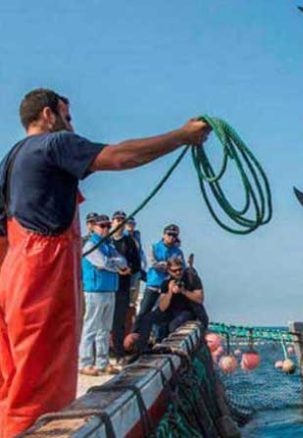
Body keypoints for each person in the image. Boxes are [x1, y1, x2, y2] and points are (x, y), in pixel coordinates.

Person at [0, 88, 209, 435]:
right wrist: (181, 136)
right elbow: (119, 156)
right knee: (39, 388)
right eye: (67, 117)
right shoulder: (54, 144)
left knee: (12, 381)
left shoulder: (9, 163)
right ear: (49, 116)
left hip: (12, 277)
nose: (71, 125)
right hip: (41, 279)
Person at [123, 257, 208, 354]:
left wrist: (183, 291)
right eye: (174, 271)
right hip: (171, 311)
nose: (178, 273)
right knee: (147, 319)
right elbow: (162, 307)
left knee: (173, 325)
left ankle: (171, 349)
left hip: (187, 311)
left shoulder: (191, 279)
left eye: (180, 270)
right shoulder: (166, 283)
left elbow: (199, 298)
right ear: (169, 271)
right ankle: (142, 348)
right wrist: (170, 292)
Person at [80, 214, 128, 376]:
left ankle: (102, 362)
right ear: (93, 226)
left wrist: (114, 264)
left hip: (109, 289)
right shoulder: (90, 245)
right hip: (95, 290)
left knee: (105, 329)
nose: (106, 229)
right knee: (91, 327)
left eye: (108, 226)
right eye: (102, 226)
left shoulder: (109, 245)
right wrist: (116, 266)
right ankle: (85, 362)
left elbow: (123, 261)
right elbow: (102, 263)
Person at [110, 211, 141, 365]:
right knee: (101, 323)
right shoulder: (105, 241)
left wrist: (129, 270)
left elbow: (137, 264)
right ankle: (99, 355)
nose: (120, 222)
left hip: (122, 287)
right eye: (117, 220)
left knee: (119, 321)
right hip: (106, 287)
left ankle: (119, 354)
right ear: (112, 221)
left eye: (123, 220)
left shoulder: (129, 242)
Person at [138, 224, 185, 320]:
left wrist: (167, 267)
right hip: (153, 285)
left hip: (168, 288)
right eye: (169, 234)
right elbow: (152, 263)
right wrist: (167, 266)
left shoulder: (178, 252)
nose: (171, 237)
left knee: (163, 315)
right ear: (164, 234)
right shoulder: (154, 247)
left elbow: (181, 268)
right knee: (143, 313)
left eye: (174, 235)